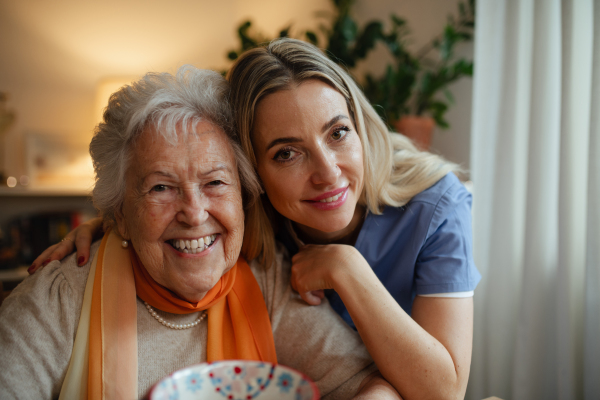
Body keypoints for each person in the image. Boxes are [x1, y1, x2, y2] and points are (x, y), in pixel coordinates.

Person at [31, 38, 481, 400]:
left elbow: (444, 392)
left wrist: (347, 269)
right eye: (287, 153)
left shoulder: (436, 204)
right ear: (253, 175)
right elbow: (181, 205)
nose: (327, 173)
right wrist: (111, 223)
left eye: (338, 132)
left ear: (360, 127)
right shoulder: (252, 216)